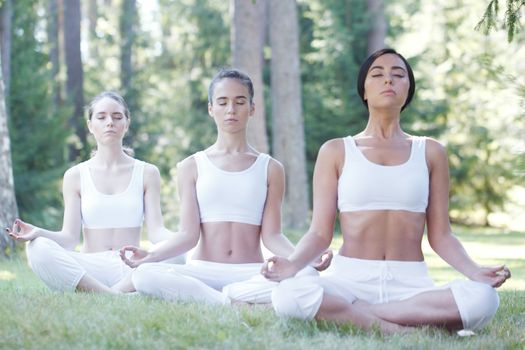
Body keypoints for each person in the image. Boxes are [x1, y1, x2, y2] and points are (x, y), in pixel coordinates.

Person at [262, 48, 511, 334]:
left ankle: (359, 315)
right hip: (349, 280)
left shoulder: (431, 152)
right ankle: (402, 330)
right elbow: (320, 233)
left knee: (484, 299)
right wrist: (292, 265)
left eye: (398, 75)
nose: (388, 81)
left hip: (411, 285)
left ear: (408, 89)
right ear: (364, 90)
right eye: (377, 75)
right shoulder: (336, 150)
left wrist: (474, 271)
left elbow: (441, 236)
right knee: (287, 294)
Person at [119, 68, 330, 304]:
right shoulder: (191, 166)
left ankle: (214, 300)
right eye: (222, 102)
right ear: (211, 108)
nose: (231, 109)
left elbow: (272, 236)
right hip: (202, 270)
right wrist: (151, 255)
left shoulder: (270, 168)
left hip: (250, 272)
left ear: (252, 108)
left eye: (240, 102)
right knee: (146, 275)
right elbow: (188, 235)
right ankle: (231, 302)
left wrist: (302, 259)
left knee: (308, 276)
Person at [6, 91, 185, 293]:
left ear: (126, 123)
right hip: (90, 268)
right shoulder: (75, 175)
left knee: (179, 252)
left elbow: (156, 233)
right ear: (91, 125)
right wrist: (38, 233)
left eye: (117, 117)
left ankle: (107, 292)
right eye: (101, 117)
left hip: (131, 266)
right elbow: (69, 239)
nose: (110, 122)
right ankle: (113, 294)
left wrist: (184, 239)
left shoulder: (147, 172)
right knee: (36, 248)